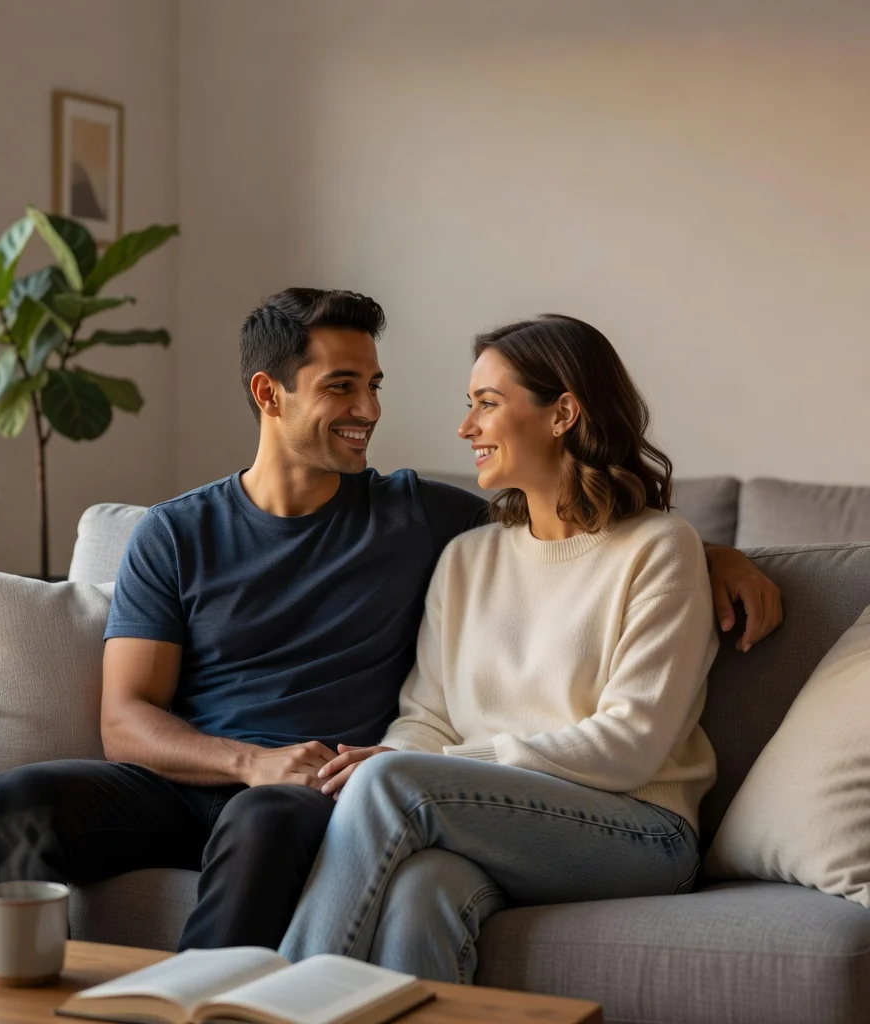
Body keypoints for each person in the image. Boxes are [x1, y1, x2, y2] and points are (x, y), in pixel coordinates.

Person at [0, 292, 781, 954]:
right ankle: (7, 998)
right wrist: (253, 761)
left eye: (374, 385)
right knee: (11, 801)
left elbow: (587, 530)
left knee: (306, 807)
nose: (371, 410)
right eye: (342, 387)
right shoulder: (180, 533)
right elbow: (126, 719)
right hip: (213, 779)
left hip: (330, 795)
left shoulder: (417, 515)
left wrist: (715, 554)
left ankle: (216, 1012)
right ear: (268, 394)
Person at [280, 314, 738, 982]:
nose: (466, 428)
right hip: (497, 821)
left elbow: (631, 742)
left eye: (487, 405)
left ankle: (278, 1006)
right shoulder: (468, 558)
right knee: (421, 891)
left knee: (388, 780)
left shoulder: (659, 548)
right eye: (469, 407)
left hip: (640, 830)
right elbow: (427, 718)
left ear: (563, 414)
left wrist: (440, 768)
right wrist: (415, 758)